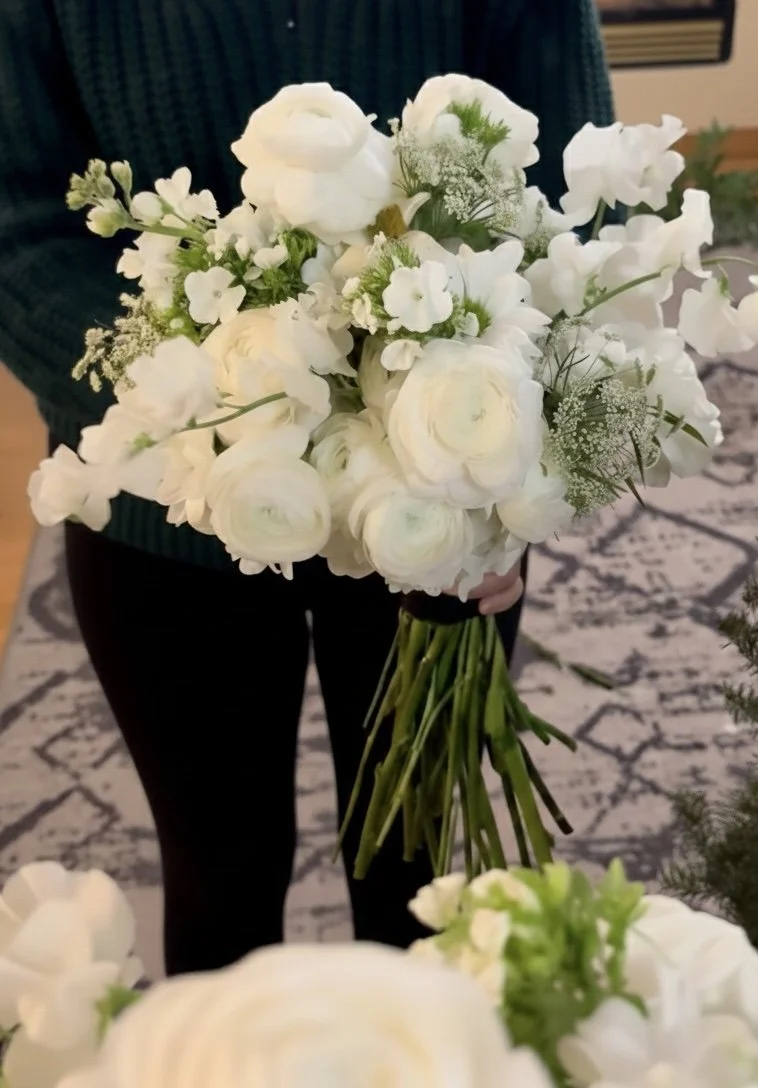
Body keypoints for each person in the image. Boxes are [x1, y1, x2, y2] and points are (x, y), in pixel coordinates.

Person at [0, 0, 617, 976]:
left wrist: (518, 463)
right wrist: (226, 403)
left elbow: (575, 201)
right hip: (166, 504)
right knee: (220, 879)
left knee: (415, 878)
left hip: (434, 491)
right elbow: (18, 223)